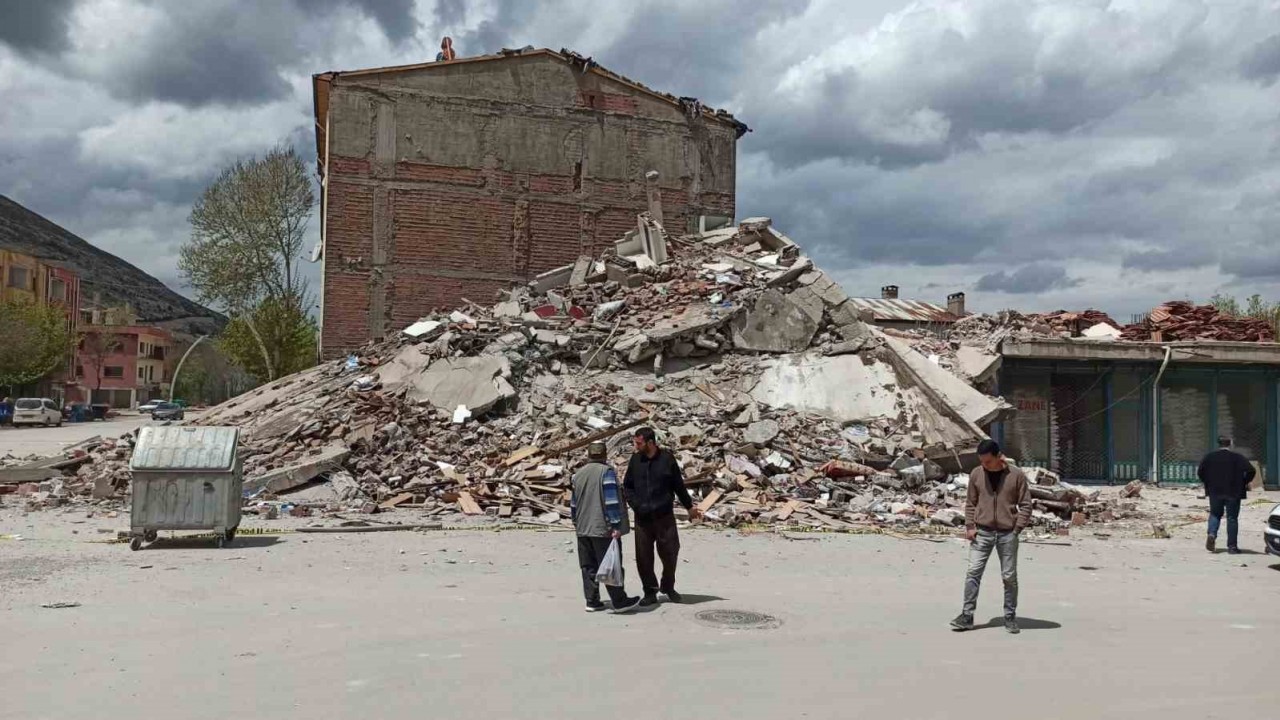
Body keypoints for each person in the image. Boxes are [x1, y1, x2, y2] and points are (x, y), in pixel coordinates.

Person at [951, 439, 1031, 634]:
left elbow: (1026, 505)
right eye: (981, 461)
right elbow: (971, 503)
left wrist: (1016, 529)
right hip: (982, 532)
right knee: (973, 573)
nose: (984, 465)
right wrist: (970, 526)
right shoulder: (977, 474)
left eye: (987, 461)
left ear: (998, 457)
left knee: (1009, 576)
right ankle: (967, 616)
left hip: (1007, 534)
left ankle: (1010, 617)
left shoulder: (1016, 475)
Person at [624, 426, 700, 606]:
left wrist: (689, 507)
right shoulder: (635, 460)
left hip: (664, 516)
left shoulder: (667, 459)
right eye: (635, 442)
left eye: (639, 443)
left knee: (671, 552)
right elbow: (627, 486)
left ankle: (668, 586)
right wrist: (636, 505)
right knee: (644, 557)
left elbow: (678, 486)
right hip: (643, 518)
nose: (636, 446)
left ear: (650, 442)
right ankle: (650, 591)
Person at [571, 441, 640, 614]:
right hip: (602, 527)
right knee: (611, 564)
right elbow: (611, 500)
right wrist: (615, 524)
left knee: (588, 566)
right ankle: (619, 601)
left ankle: (592, 601)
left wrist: (576, 522)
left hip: (582, 527)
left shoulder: (578, 474)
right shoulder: (606, 472)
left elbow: (573, 503)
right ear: (604, 455)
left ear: (588, 455)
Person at [1197, 436, 1256, 554]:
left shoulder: (1210, 457)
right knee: (1232, 518)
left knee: (1215, 514)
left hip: (1215, 491)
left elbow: (1200, 472)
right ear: (1231, 444)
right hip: (1234, 492)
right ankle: (1232, 547)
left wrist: (1208, 483)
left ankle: (1212, 534)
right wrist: (1244, 482)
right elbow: (1251, 470)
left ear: (1218, 444)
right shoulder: (1238, 457)